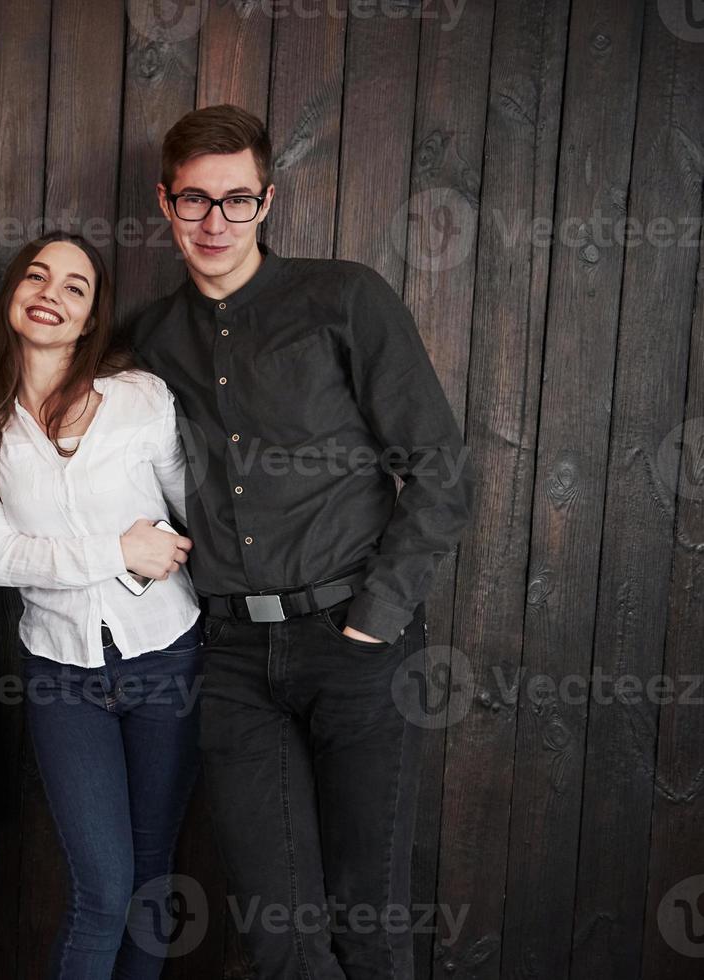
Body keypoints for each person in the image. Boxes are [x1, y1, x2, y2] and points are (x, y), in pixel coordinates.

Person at [127, 104, 475, 980]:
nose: (215, 223)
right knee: (279, 937)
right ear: (164, 204)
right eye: (195, 201)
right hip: (230, 658)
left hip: (354, 643)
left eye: (236, 200)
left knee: (368, 919)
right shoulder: (141, 343)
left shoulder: (343, 297)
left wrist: (378, 616)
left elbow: (437, 466)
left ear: (267, 201)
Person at [0, 232, 203, 978]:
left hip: (167, 657)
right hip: (60, 678)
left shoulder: (139, 398)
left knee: (150, 877)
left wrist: (151, 548)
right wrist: (115, 552)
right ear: (11, 295)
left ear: (91, 314)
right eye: (36, 277)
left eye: (74, 287)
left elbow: (193, 510)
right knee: (102, 889)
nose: (51, 294)